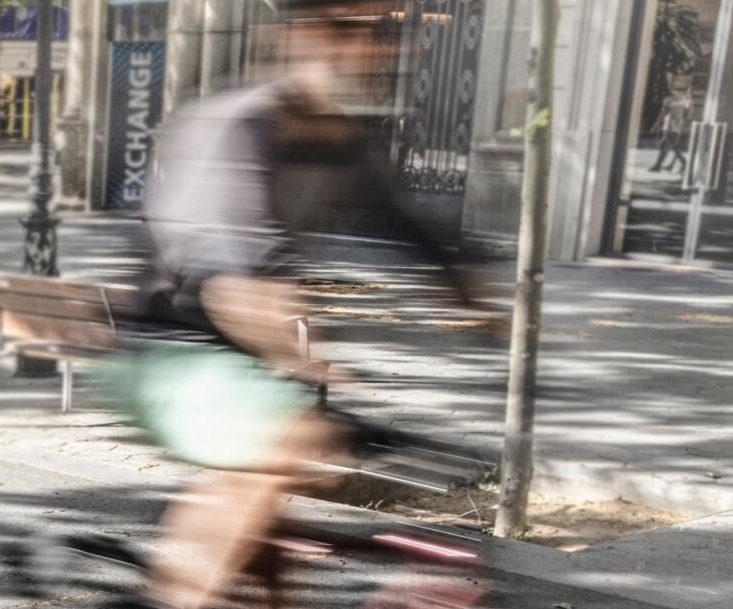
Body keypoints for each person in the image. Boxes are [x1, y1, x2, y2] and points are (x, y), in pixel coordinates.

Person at [113, 2, 484, 608]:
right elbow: (227, 274)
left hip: (246, 362)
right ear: (302, 38)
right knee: (280, 450)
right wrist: (307, 364)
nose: (375, 49)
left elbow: (409, 232)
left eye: (380, 34)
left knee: (274, 507)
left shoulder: (339, 139)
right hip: (169, 352)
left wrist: (485, 308)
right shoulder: (241, 126)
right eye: (349, 32)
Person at [650, 83, 695, 174]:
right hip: (677, 127)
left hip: (670, 127)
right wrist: (681, 123)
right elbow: (687, 115)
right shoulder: (684, 101)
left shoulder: (669, 101)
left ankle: (660, 166)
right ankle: (659, 165)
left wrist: (655, 125)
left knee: (669, 146)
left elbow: (662, 115)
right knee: (669, 146)